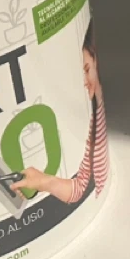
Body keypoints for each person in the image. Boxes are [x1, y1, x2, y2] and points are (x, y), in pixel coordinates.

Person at [11, 20, 109, 205]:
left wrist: (43, 182)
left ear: (96, 61)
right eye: (82, 71)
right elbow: (79, 188)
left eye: (87, 69)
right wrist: (42, 182)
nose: (84, 81)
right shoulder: (92, 122)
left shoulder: (95, 116)